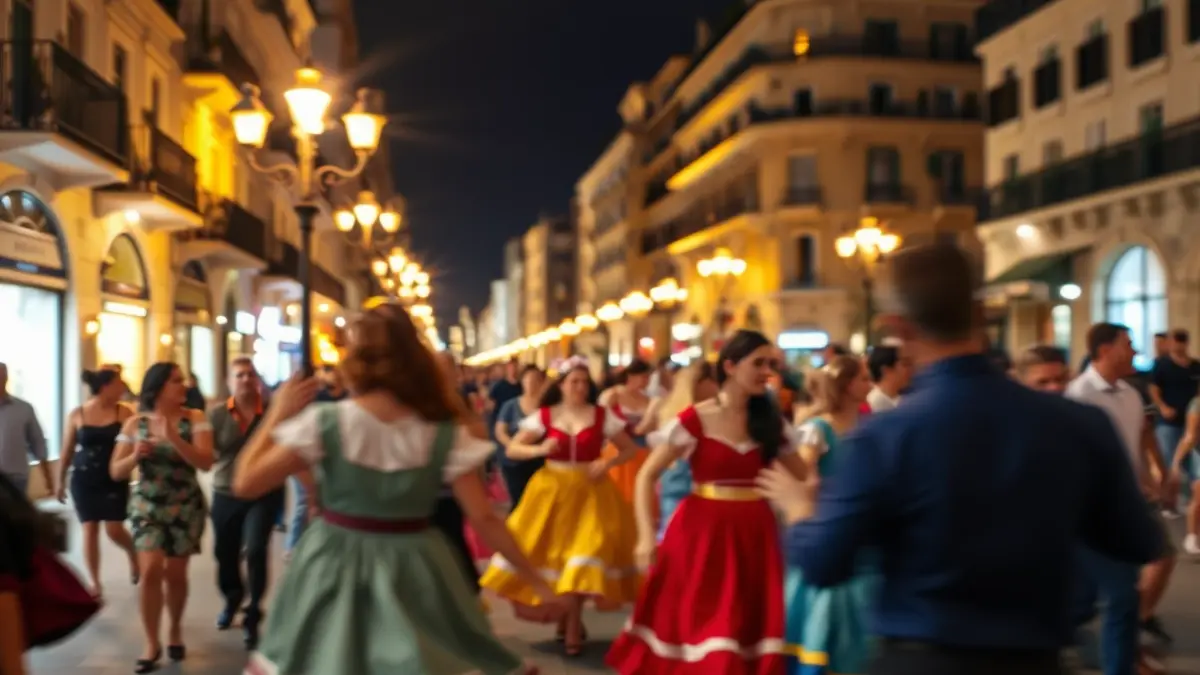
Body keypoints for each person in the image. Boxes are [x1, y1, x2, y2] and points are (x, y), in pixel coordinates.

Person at [759, 243, 1163, 675]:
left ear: (897, 328)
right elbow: (1137, 540)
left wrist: (801, 510)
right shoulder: (1076, 424)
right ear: (978, 312)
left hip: (918, 658)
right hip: (1034, 659)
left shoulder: (886, 436)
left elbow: (824, 562)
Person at [231, 302, 558, 675]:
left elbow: (245, 482)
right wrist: (537, 582)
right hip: (417, 565)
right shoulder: (442, 432)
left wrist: (277, 411)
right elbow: (484, 517)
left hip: (333, 562)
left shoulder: (326, 423)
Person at [607, 330, 806, 673]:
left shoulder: (771, 423)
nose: (766, 372)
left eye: (770, 364)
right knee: (709, 630)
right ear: (729, 366)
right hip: (701, 537)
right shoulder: (695, 419)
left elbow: (804, 476)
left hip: (756, 537)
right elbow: (646, 476)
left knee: (745, 630)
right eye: (757, 363)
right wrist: (644, 537)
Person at [480, 360, 643, 657]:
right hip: (552, 493)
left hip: (592, 493)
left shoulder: (600, 415)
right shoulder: (544, 416)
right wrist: (539, 450)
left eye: (584, 382)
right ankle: (570, 620)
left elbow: (629, 448)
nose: (580, 387)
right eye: (574, 382)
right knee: (557, 558)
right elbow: (513, 448)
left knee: (587, 554)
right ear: (561, 385)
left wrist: (607, 461)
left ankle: (571, 625)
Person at [1067, 323, 1176, 673]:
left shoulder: (1130, 395)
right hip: (1091, 509)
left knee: (1096, 596)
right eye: (1127, 344)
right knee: (1121, 595)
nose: (1134, 351)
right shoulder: (1079, 394)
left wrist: (1151, 481)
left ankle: (1096, 644)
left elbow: (1133, 449)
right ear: (1104, 350)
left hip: (1125, 506)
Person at [110, 362, 213, 673]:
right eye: (176, 381)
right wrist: (134, 456)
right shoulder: (134, 424)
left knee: (177, 575)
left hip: (184, 505)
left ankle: (175, 630)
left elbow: (206, 463)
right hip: (147, 505)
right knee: (152, 569)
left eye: (182, 380)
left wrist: (175, 439)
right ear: (157, 388)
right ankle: (151, 642)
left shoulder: (195, 419)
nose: (183, 386)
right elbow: (115, 471)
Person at [784, 355, 875, 675]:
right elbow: (803, 476)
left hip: (861, 530)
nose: (870, 384)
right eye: (864, 379)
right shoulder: (818, 429)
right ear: (849, 386)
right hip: (829, 525)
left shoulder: (868, 424)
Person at [207, 357, 282, 649]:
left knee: (256, 548)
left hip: (264, 492)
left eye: (250, 375)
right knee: (224, 552)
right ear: (229, 381)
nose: (246, 380)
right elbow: (207, 452)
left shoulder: (271, 413)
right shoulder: (217, 415)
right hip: (226, 492)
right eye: (239, 375)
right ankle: (232, 597)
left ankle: (252, 614)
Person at [55, 369, 139, 597]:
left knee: (114, 529)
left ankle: (133, 553)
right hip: (83, 478)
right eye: (119, 384)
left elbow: (133, 444)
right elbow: (67, 450)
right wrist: (59, 481)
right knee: (89, 528)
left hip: (113, 476)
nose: (123, 388)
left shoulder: (124, 412)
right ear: (105, 387)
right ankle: (94, 581)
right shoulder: (77, 414)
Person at [642, 361, 718, 541]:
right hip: (680, 492)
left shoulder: (671, 410)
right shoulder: (686, 419)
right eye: (714, 381)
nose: (718, 386)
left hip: (685, 492)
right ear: (700, 383)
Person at [1149, 329, 1200, 517]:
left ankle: (1191, 500)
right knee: (1171, 464)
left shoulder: (1195, 365)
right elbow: (1154, 388)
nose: (1179, 344)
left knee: (1192, 464)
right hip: (1169, 423)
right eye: (1176, 340)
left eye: (1183, 340)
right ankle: (1168, 503)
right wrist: (1162, 407)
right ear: (1171, 343)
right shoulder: (1163, 365)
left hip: (1192, 421)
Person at [599, 359, 654, 502]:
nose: (646, 381)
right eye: (644, 376)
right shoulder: (613, 395)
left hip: (642, 449)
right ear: (631, 376)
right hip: (618, 448)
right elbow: (601, 421)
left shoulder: (647, 399)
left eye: (648, 377)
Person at [494, 365, 547, 508]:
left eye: (536, 380)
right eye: (528, 379)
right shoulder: (510, 405)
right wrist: (514, 446)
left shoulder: (547, 407)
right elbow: (500, 431)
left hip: (539, 461)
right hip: (514, 462)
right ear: (522, 381)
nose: (532, 383)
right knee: (519, 500)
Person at [0, 362, 52, 498]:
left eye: (2, 376)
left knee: (16, 518)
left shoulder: (24, 409)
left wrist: (48, 480)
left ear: (6, 378)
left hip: (16, 479)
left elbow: (38, 443)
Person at [865, 344, 912, 412]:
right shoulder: (873, 403)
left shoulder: (904, 400)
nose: (910, 370)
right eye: (905, 365)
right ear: (886, 370)